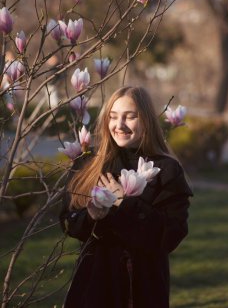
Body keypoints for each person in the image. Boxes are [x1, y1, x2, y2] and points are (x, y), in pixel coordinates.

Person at [59, 86, 193, 308]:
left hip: (143, 287)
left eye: (130, 117)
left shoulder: (165, 169)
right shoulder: (89, 164)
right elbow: (68, 222)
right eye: (113, 117)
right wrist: (91, 215)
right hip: (94, 285)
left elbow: (171, 235)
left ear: (146, 121)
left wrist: (125, 203)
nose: (119, 125)